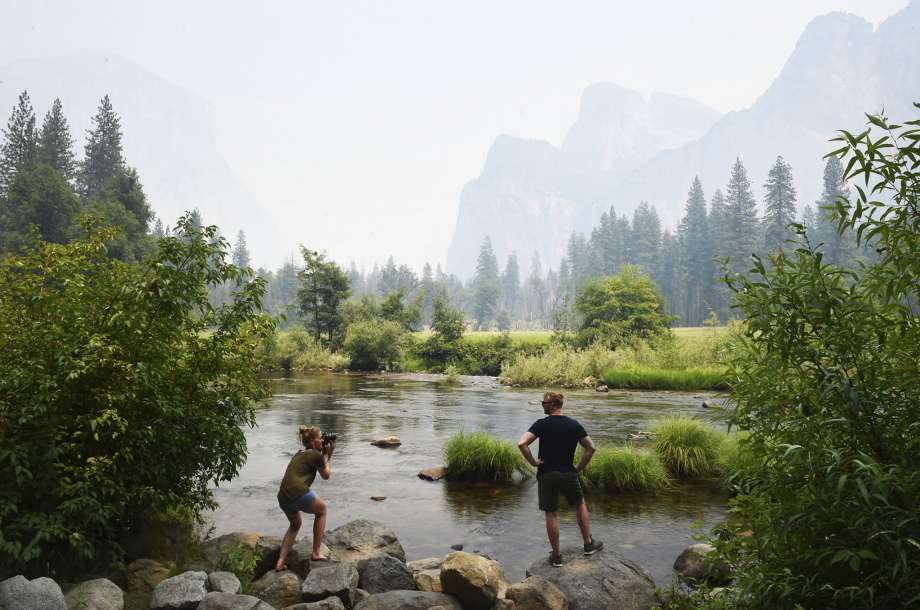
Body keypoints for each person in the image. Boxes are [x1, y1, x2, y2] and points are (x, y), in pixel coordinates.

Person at [517, 391, 603, 567]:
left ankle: (556, 556)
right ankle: (588, 544)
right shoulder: (573, 425)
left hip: (546, 473)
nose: (542, 405)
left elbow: (522, 443)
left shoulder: (541, 424)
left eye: (544, 403)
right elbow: (591, 448)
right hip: (568, 472)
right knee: (579, 504)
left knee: (551, 512)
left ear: (554, 404)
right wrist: (578, 468)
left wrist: (533, 462)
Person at [275, 425, 335, 571]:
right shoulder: (315, 455)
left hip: (283, 496)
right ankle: (316, 552)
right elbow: (326, 475)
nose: (322, 440)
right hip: (297, 492)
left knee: (295, 525)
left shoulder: (299, 454)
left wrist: (325, 454)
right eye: (321, 438)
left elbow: (320, 463)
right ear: (313, 441)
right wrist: (329, 453)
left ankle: (280, 562)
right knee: (322, 510)